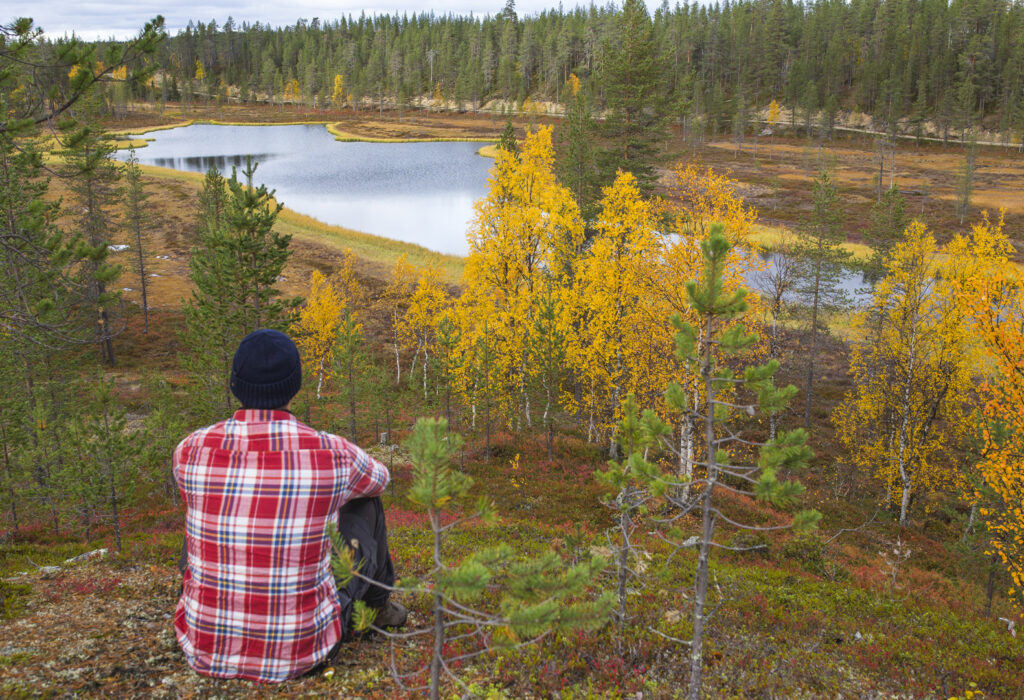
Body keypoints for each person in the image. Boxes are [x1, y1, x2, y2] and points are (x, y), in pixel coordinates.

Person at [172, 328, 407, 682]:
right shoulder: (333, 454)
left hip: (202, 649)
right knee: (367, 503)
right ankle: (375, 610)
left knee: (215, 511)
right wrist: (327, 499)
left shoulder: (190, 449)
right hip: (302, 652)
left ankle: (216, 611)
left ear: (235, 383)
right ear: (294, 385)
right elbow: (381, 479)